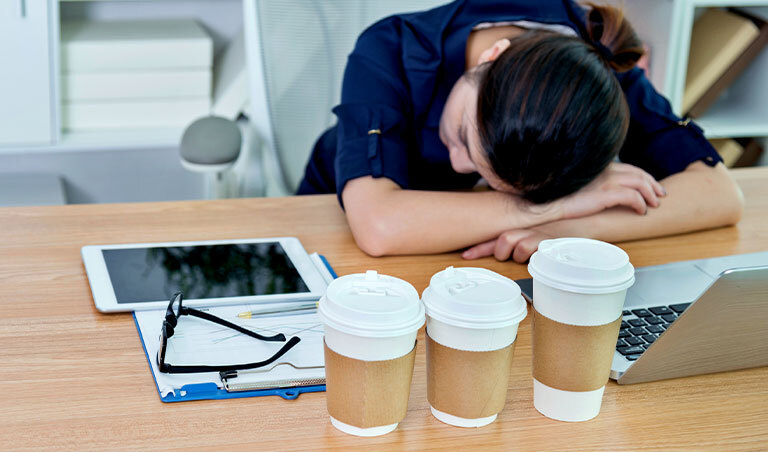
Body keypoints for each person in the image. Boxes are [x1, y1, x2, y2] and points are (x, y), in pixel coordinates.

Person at [297, 0, 743, 262]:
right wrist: (550, 207)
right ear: (492, 55)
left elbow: (718, 194)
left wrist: (576, 229)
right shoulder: (392, 48)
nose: (457, 164)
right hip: (331, 224)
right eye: (461, 136)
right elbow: (379, 225)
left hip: (467, 254)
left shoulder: (594, 73)